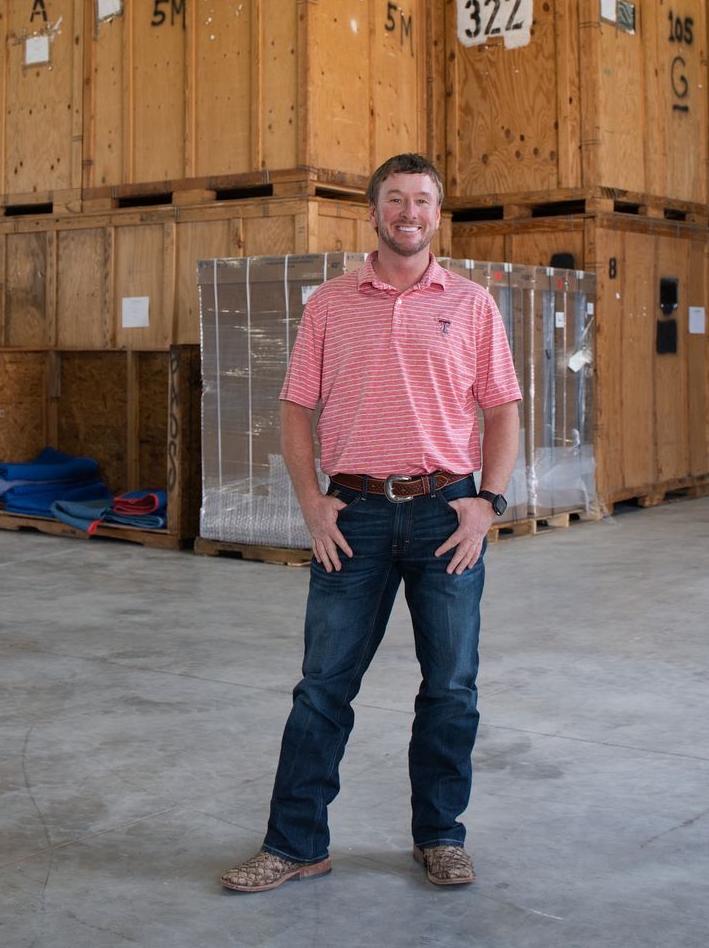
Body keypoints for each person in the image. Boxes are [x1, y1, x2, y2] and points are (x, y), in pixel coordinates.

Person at [219, 152, 523, 894]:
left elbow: (502, 409)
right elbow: (296, 407)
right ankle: (296, 844)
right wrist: (311, 501)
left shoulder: (474, 305)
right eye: (395, 199)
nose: (409, 213)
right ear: (373, 212)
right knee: (323, 686)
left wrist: (490, 502)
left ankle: (441, 836)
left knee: (451, 687)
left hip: (445, 513)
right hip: (351, 516)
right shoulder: (329, 303)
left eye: (422, 200)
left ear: (437, 214)